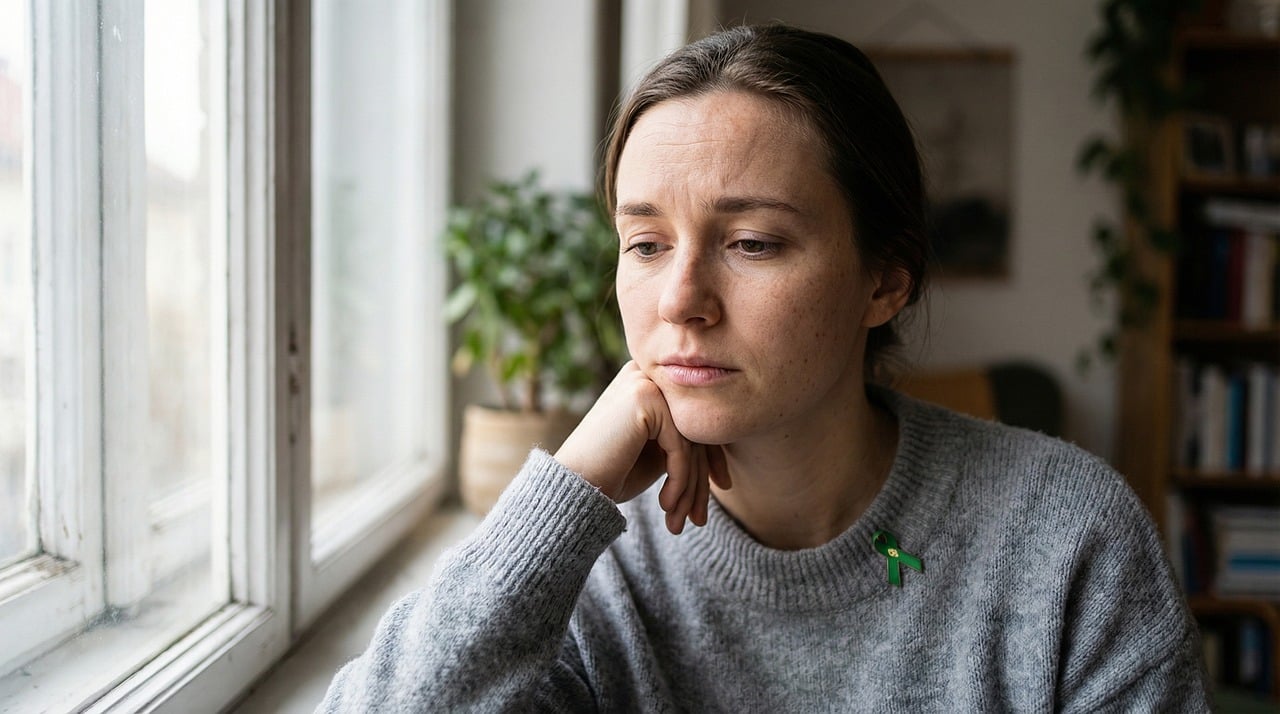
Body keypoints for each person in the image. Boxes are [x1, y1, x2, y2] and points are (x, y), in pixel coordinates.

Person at [319, 23, 1209, 712]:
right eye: (645, 244)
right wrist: (567, 490)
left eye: (751, 242)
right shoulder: (584, 573)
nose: (681, 300)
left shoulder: (1071, 541)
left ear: (884, 280)